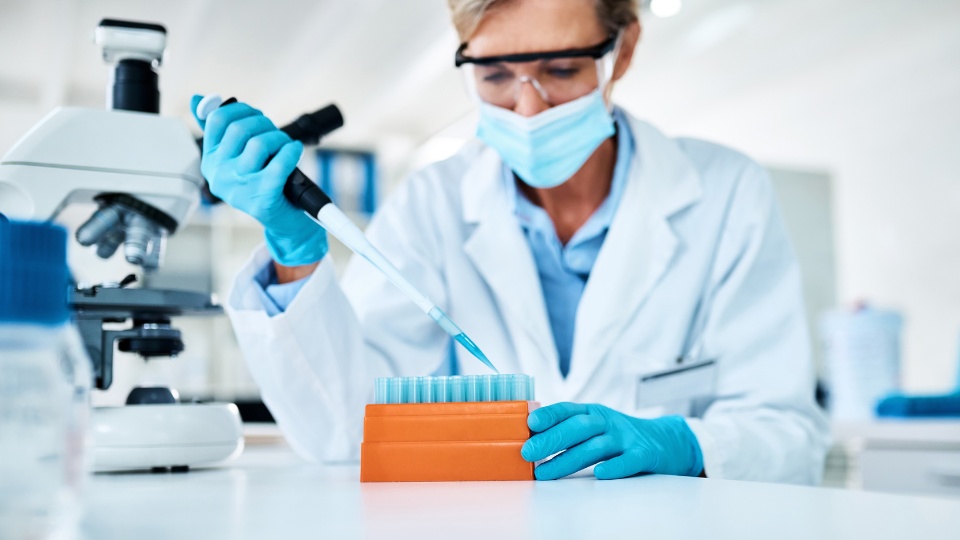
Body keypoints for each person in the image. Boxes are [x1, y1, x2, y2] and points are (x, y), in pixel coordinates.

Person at [193, 0, 830, 483]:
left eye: (560, 68)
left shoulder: (723, 191)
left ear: (623, 49)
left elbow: (789, 434)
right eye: (495, 75)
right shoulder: (431, 204)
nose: (528, 108)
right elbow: (341, 430)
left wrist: (686, 444)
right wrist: (294, 251)